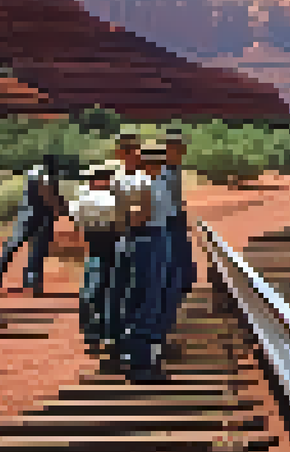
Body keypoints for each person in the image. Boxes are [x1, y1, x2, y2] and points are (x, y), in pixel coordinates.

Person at [115, 141, 171, 381]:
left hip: (132, 239)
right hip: (149, 238)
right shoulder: (147, 183)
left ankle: (129, 354)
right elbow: (141, 214)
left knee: (133, 295)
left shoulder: (125, 180)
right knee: (149, 297)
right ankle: (141, 363)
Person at [69, 161, 127, 373]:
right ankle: (105, 335)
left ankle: (96, 335)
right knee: (105, 291)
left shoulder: (84, 197)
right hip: (107, 244)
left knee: (95, 291)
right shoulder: (109, 198)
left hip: (97, 245)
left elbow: (76, 219)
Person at [0, 154, 70, 296]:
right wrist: (61, 210)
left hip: (25, 216)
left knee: (12, 247)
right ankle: (32, 285)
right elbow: (49, 195)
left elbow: (53, 194)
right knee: (37, 252)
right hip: (41, 217)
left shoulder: (34, 172)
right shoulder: (46, 175)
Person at [156, 126, 196, 362]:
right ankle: (157, 338)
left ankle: (162, 333)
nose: (180, 150)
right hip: (164, 228)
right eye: (175, 146)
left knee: (182, 279)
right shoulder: (158, 172)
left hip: (176, 226)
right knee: (167, 282)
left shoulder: (175, 169)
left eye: (181, 146)